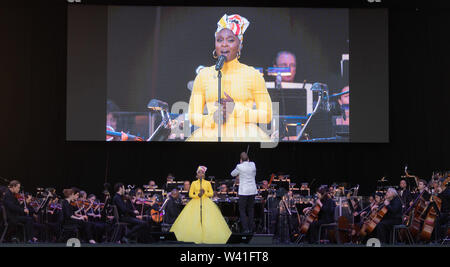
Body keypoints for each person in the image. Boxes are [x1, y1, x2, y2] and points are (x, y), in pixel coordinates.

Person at [187, 14, 272, 142]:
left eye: (230, 40)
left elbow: (267, 115)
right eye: (219, 40)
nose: (224, 45)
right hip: (210, 135)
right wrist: (213, 119)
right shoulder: (204, 75)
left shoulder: (253, 74)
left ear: (240, 45)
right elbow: (193, 116)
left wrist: (235, 109)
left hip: (246, 136)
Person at [170, 166, 231, 244]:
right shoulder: (194, 183)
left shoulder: (207, 183)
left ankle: (208, 236)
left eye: (202, 172)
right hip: (195, 202)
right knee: (194, 220)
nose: (200, 174)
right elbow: (190, 194)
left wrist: (204, 192)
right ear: (197, 174)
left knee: (208, 219)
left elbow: (211, 193)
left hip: (206, 202)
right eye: (199, 172)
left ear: (204, 174)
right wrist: (198, 195)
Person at [231, 152, 257, 233]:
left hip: (244, 191)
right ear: (248, 159)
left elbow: (232, 174)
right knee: (250, 209)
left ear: (241, 160)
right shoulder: (253, 164)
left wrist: (240, 166)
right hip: (252, 190)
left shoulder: (239, 166)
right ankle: (251, 228)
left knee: (242, 210)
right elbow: (254, 174)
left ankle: (246, 229)